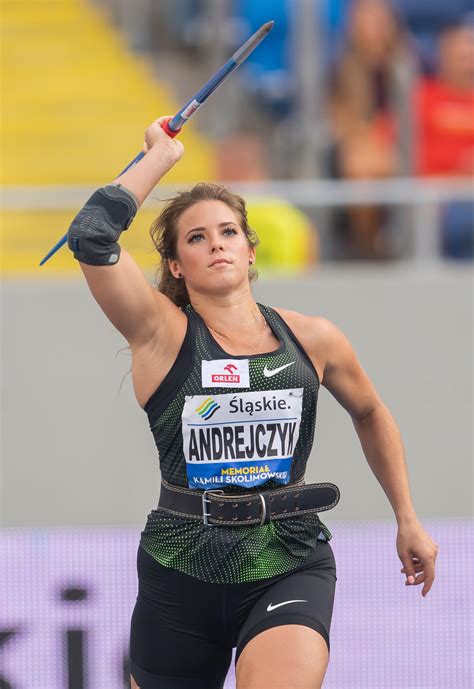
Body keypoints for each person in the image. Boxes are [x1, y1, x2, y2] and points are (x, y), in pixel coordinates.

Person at [67, 117, 438, 689]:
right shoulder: (159, 333)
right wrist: (160, 157)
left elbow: (370, 412)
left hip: (287, 556)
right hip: (181, 563)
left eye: (228, 231)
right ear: (174, 265)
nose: (216, 243)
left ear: (249, 248)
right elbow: (92, 235)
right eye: (196, 237)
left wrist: (407, 516)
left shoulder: (312, 338)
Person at [327, 0, 413, 259]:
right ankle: (368, 245)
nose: (373, 29)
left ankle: (382, 240)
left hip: (398, 143)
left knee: (371, 163)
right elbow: (339, 119)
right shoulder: (341, 68)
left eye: (378, 21)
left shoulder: (406, 66)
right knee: (361, 166)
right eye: (365, 21)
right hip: (358, 144)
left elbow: (413, 116)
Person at [414, 19, 474, 259]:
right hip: (436, 203)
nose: (467, 62)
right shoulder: (420, 97)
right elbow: (393, 151)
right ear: (441, 56)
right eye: (459, 55)